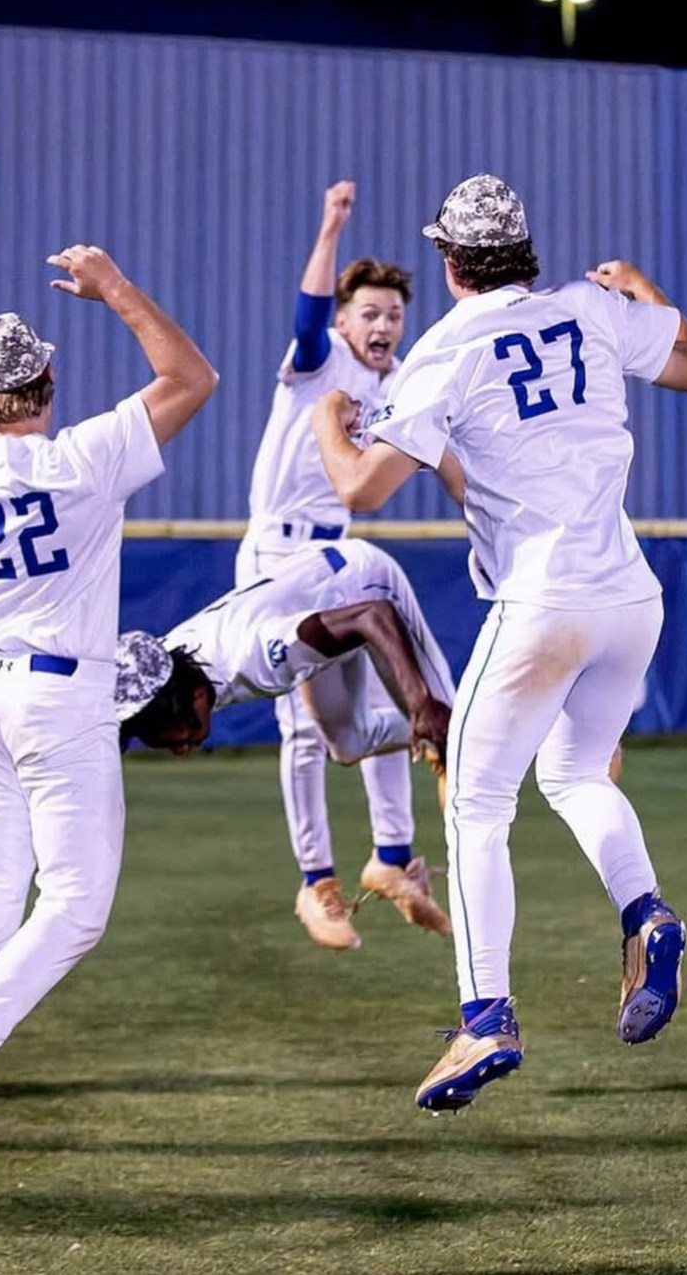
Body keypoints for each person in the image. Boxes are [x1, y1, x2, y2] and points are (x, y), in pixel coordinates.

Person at [312, 172, 687, 1113]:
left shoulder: (447, 346)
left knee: (475, 804)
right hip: (630, 598)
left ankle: (485, 1015)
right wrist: (641, 289)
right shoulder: (589, 307)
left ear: (452, 261)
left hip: (541, 602)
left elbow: (361, 489)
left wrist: (329, 424)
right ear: (522, 250)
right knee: (574, 774)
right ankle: (646, 912)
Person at [0, 248, 218, 1226]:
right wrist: (116, 289)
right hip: (58, 699)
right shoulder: (85, 456)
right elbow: (193, 377)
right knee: (73, 906)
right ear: (46, 385)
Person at [237, 180, 425, 947]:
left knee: (384, 692)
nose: (382, 325)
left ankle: (394, 858)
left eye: (393, 315)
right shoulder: (320, 361)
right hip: (276, 550)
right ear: (348, 322)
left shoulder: (398, 382)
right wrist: (329, 228)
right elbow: (308, 315)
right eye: (370, 313)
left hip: (336, 551)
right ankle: (317, 881)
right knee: (303, 726)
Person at [115, 536, 456, 949]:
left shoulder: (258, 658)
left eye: (184, 735)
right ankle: (437, 737)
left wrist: (420, 702)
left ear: (197, 697)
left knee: (456, 741)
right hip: (314, 605)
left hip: (362, 585)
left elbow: (373, 615)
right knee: (348, 745)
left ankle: (463, 732)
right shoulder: (160, 668)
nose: (184, 748)